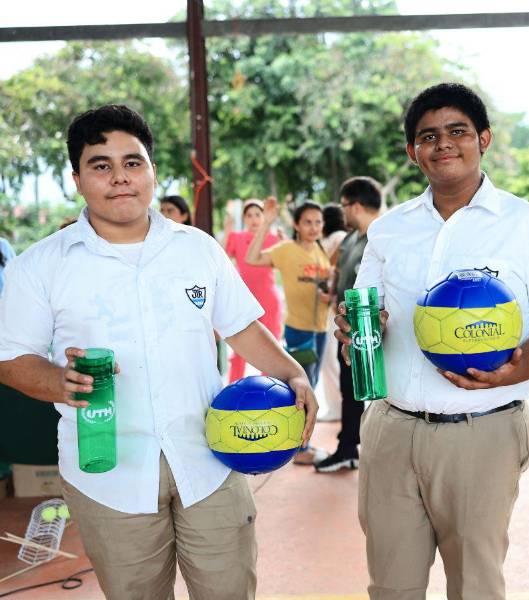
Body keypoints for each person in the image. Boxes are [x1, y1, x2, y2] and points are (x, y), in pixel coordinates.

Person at [0, 104, 318, 600]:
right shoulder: (40, 266)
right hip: (108, 473)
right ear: (77, 179)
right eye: (101, 165)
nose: (120, 177)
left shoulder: (197, 248)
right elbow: (12, 359)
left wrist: (294, 374)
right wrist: (58, 381)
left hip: (210, 459)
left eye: (133, 162)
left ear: (151, 170)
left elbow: (242, 328)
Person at [334, 83, 529, 599]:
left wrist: (512, 372)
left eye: (457, 131)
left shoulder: (525, 225)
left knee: (475, 585)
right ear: (412, 152)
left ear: (483, 139)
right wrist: (355, 333)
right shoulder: (390, 230)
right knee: (390, 585)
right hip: (391, 428)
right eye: (428, 136)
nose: (443, 144)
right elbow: (364, 324)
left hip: (483, 431)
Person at [246, 200, 331, 466]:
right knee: (301, 391)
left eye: (318, 221)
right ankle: (300, 447)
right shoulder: (286, 249)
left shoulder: (319, 250)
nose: (314, 227)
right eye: (307, 221)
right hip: (299, 330)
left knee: (312, 386)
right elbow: (251, 258)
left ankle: (300, 442)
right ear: (296, 224)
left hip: (321, 329)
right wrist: (267, 223)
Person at [315, 177, 382, 473]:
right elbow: (341, 271)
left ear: (355, 205)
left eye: (344, 206)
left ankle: (356, 448)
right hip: (348, 327)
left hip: (373, 328)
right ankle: (348, 446)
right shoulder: (352, 238)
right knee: (350, 389)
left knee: (375, 392)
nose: (342, 213)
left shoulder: (383, 237)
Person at [222, 198, 284, 382]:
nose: (254, 219)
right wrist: (227, 231)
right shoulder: (236, 237)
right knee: (240, 351)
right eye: (249, 215)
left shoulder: (274, 239)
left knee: (272, 349)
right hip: (244, 300)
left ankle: (269, 393)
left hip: (269, 301)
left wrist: (284, 240)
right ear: (244, 219)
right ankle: (233, 393)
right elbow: (223, 259)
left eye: (258, 214)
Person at [315, 203, 349, 421]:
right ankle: (335, 407)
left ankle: (336, 408)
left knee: (330, 358)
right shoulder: (340, 237)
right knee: (329, 358)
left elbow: (333, 268)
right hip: (328, 305)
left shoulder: (338, 238)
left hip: (331, 305)